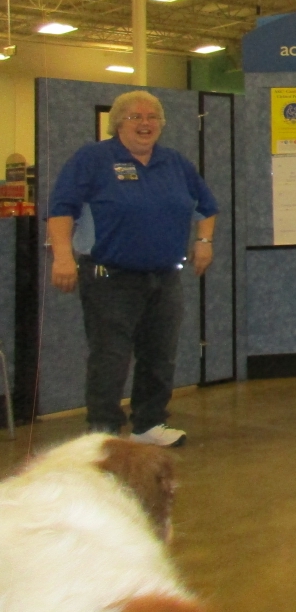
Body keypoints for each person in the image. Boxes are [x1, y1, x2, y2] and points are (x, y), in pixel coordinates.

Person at [47, 90, 219, 447]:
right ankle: (104, 432)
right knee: (110, 358)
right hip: (110, 279)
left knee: (160, 356)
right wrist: (63, 257)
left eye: (152, 117)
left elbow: (206, 206)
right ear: (118, 123)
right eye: (135, 117)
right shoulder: (93, 158)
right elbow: (62, 209)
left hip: (164, 277)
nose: (145, 123)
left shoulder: (175, 163)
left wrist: (204, 241)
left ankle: (149, 424)